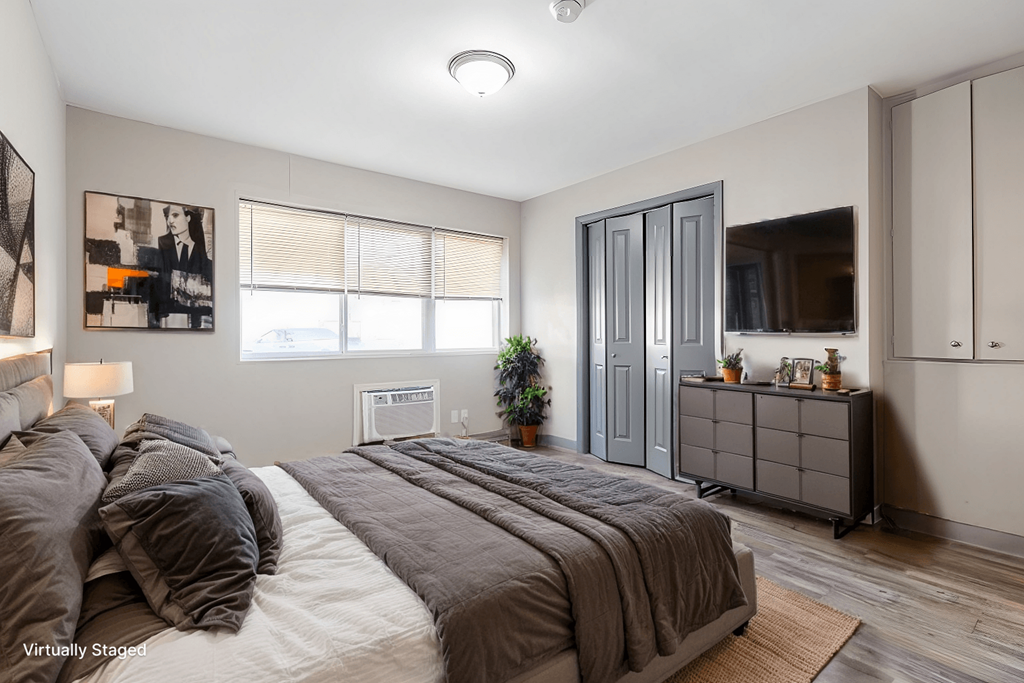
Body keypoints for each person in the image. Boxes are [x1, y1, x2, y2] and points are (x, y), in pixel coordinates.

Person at [151, 204, 213, 328]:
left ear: (188, 218)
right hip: (170, 317)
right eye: (168, 217)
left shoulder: (203, 250)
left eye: (175, 215)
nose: (170, 221)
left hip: (198, 318)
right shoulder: (161, 244)